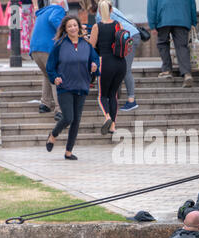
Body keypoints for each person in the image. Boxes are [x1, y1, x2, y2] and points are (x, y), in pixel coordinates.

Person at [46, 15, 100, 160]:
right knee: (68, 117)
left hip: (82, 85)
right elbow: (50, 66)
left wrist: (94, 67)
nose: (72, 28)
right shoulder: (60, 45)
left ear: (79, 27)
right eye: (69, 26)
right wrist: (55, 77)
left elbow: (94, 60)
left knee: (76, 120)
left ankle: (68, 152)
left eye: (75, 25)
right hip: (65, 86)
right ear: (65, 28)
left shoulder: (86, 45)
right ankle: (53, 134)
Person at [94, 1, 141, 112]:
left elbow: (101, 33)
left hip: (128, 38)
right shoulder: (112, 8)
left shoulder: (100, 13)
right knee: (119, 67)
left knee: (126, 69)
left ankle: (131, 100)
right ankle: (114, 96)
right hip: (126, 37)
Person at [89, 0, 127, 135]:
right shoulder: (119, 24)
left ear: (99, 11)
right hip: (121, 64)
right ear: (111, 10)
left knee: (102, 96)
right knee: (113, 95)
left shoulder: (96, 27)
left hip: (105, 63)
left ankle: (107, 117)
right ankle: (113, 126)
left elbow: (91, 47)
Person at [29, 0, 66, 121]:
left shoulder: (42, 12)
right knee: (55, 75)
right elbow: (53, 19)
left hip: (35, 49)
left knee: (47, 74)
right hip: (47, 48)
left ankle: (44, 104)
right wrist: (65, 33)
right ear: (61, 3)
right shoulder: (58, 9)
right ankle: (60, 109)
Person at [147, 0, 197, 88]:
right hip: (182, 18)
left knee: (163, 43)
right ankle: (187, 74)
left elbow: (151, 6)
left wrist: (152, 25)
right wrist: (193, 21)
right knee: (182, 46)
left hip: (163, 18)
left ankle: (167, 70)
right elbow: (192, 4)